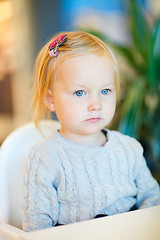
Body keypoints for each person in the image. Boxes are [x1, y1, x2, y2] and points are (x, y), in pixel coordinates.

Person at [22, 31, 160, 231]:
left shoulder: (129, 149)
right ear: (51, 99)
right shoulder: (44, 158)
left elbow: (152, 201)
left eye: (105, 91)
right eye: (80, 92)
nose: (96, 104)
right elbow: (38, 228)